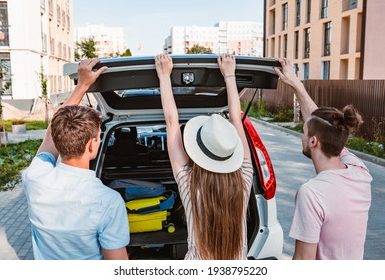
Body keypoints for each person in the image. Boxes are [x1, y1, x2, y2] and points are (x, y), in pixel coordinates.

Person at [22, 59, 130, 260]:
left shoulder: (35, 177)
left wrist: (82, 86)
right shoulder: (107, 201)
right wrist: (83, 84)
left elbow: (49, 136)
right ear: (91, 144)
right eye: (99, 135)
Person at [155, 53, 253, 260]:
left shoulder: (189, 183)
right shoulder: (245, 178)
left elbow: (172, 122)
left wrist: (164, 77)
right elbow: (237, 118)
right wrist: (229, 76)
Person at [274, 58, 372, 260]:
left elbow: (303, 262)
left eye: (303, 132)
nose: (302, 136)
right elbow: (320, 124)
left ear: (312, 142)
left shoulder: (311, 194)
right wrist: (296, 84)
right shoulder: (360, 172)